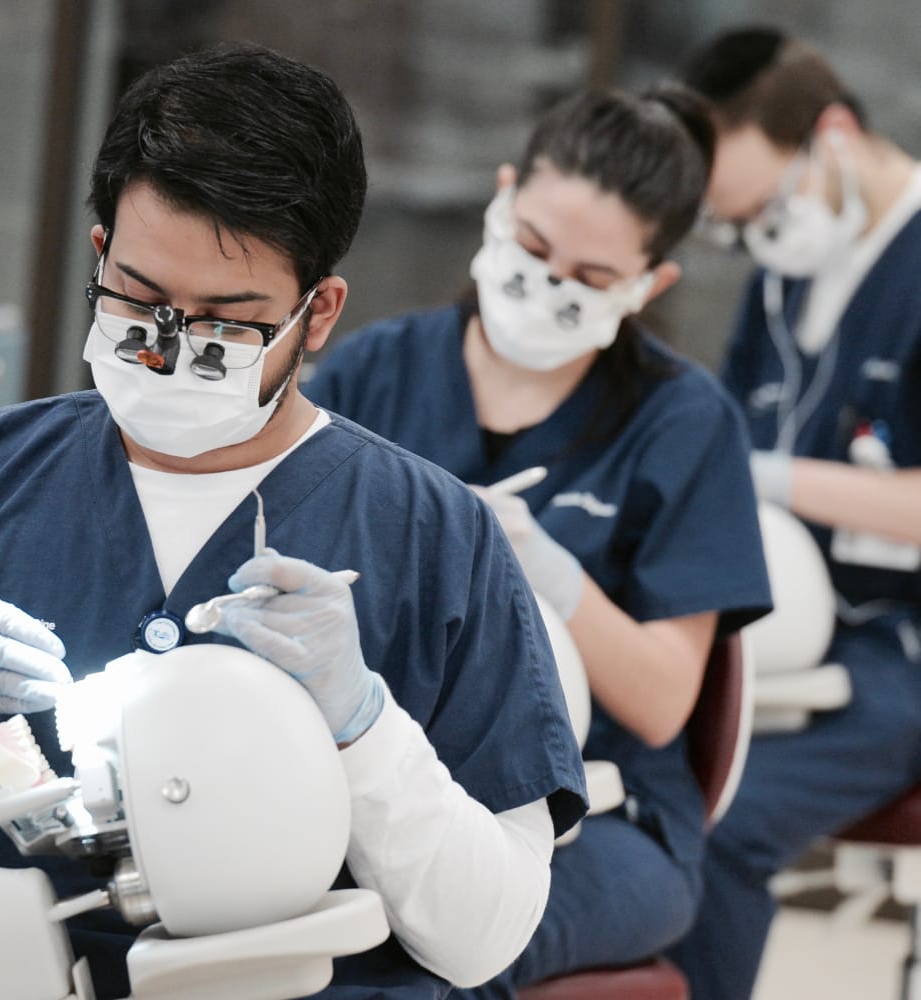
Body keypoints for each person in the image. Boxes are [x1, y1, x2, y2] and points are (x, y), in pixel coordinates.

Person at [0, 42, 589, 1000]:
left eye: (227, 324)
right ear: (102, 254)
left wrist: (362, 725)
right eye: (143, 303)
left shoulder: (429, 536)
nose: (170, 350)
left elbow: (488, 936)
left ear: (317, 314)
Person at [305, 83, 772, 995]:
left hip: (605, 818)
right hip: (380, 786)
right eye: (532, 246)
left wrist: (545, 575)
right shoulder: (376, 370)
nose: (548, 283)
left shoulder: (684, 424)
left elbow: (665, 703)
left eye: (591, 279)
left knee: (428, 949)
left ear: (650, 283)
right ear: (503, 195)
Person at [667, 26, 921, 998]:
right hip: (785, 629)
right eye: (734, 228)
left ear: (834, 136)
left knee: (719, 820)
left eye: (764, 207)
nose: (759, 240)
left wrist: (771, 479)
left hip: (895, 648)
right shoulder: (784, 273)